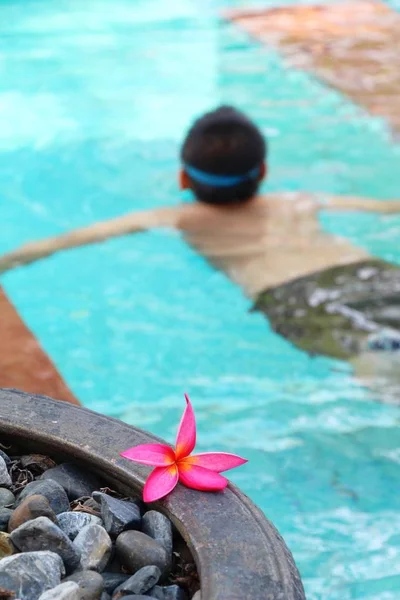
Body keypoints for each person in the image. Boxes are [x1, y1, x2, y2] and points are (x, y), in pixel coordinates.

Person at [1, 106, 400, 364]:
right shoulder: (298, 200)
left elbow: (63, 242)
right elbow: (387, 209)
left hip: (296, 296)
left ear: (182, 178)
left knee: (378, 363)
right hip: (368, 272)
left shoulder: (178, 216)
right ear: (262, 172)